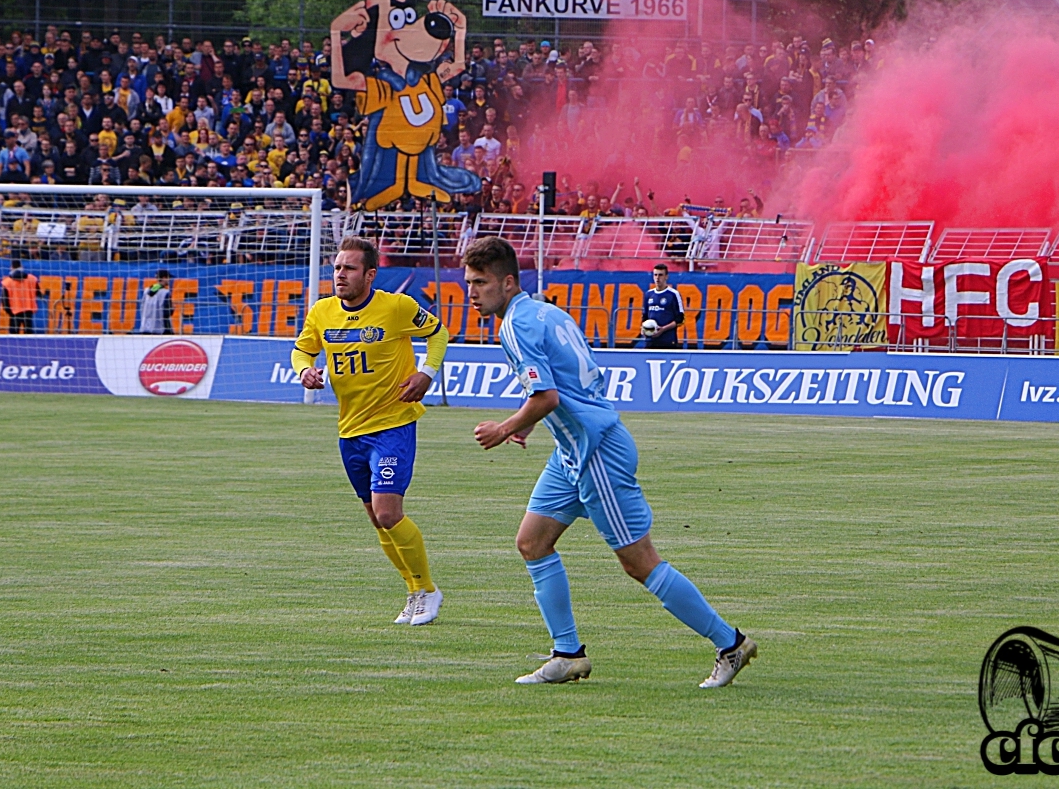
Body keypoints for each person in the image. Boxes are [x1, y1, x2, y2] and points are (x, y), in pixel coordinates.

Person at [465, 236, 757, 687]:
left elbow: (547, 395)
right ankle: (567, 655)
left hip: (595, 451)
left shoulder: (514, 326)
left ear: (506, 283)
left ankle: (730, 643)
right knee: (532, 542)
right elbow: (571, 384)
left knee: (640, 562)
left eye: (480, 283)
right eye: (468, 282)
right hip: (573, 451)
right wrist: (529, 424)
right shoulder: (545, 311)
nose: (471, 291)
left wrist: (505, 427)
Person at [292, 237, 452, 626]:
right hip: (350, 430)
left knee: (387, 511)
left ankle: (429, 589)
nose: (340, 275)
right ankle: (413, 591)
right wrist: (305, 371)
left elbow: (439, 333)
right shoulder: (322, 312)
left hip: (393, 425)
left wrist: (426, 374)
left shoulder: (396, 307)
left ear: (370, 274)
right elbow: (302, 349)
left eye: (348, 268)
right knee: (375, 517)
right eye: (337, 268)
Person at [641, 264, 685, 348]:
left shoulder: (673, 294)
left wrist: (663, 329)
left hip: (668, 341)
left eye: (660, 275)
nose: (657, 278)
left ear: (666, 277)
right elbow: (645, 316)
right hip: (651, 341)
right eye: (655, 275)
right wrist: (643, 328)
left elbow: (680, 319)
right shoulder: (648, 294)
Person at [2, 261, 38, 334]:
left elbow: (4, 299)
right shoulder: (32, 279)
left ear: (11, 268)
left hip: (14, 310)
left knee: (13, 335)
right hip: (28, 309)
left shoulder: (7, 282)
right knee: (29, 334)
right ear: (21, 266)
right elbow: (37, 292)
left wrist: (8, 311)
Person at [138, 269, 173, 334]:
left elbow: (142, 308)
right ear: (164, 278)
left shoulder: (146, 291)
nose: (169, 280)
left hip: (145, 327)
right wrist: (172, 308)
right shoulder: (165, 293)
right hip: (160, 329)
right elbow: (167, 313)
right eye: (168, 278)